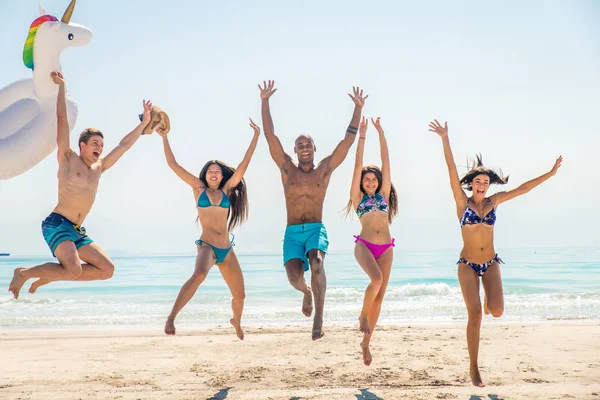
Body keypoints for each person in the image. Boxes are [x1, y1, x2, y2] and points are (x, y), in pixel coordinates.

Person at [428, 119, 563, 387]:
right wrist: (445, 138)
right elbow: (451, 169)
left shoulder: (494, 202)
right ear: (471, 184)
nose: (481, 185)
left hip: (490, 263)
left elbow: (523, 189)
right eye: (478, 181)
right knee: (475, 315)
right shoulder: (461, 202)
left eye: (485, 182)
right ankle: (474, 368)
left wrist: (550, 173)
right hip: (467, 264)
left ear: (489, 185)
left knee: (497, 311)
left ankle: (490, 303)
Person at [9, 71, 152, 298]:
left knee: (107, 270)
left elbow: (124, 145)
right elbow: (62, 120)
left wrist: (143, 126)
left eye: (102, 145)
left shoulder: (99, 167)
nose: (100, 148)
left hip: (76, 230)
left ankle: (51, 275)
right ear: (82, 145)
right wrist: (61, 88)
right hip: (57, 224)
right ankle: (25, 272)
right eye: (95, 143)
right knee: (73, 270)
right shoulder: (67, 157)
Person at [259, 80, 368, 340]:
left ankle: (319, 317)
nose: (305, 149)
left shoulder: (324, 170)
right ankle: (306, 292)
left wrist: (358, 109)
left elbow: (347, 141)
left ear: (315, 148)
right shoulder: (287, 169)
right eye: (300, 146)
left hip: (316, 230)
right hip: (293, 232)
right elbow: (270, 136)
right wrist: (265, 102)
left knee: (317, 262)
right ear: (294, 150)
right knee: (293, 276)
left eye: (308, 145)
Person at [159, 119, 261, 340]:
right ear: (205, 174)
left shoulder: (226, 190)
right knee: (198, 275)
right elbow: (173, 164)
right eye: (210, 171)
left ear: (222, 175)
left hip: (226, 250)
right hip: (208, 246)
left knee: (240, 296)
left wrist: (255, 137)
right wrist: (165, 137)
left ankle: (237, 321)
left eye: (217, 171)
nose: (213, 174)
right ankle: (171, 317)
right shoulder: (198, 189)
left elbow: (243, 166)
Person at [345, 116, 398, 366]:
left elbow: (387, 162)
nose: (370, 181)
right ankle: (362, 316)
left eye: (373, 179)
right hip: (364, 246)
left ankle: (366, 343)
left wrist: (381, 133)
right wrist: (363, 136)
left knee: (380, 297)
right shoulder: (357, 198)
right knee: (375, 280)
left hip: (386, 248)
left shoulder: (384, 196)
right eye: (366, 179)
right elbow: (357, 165)